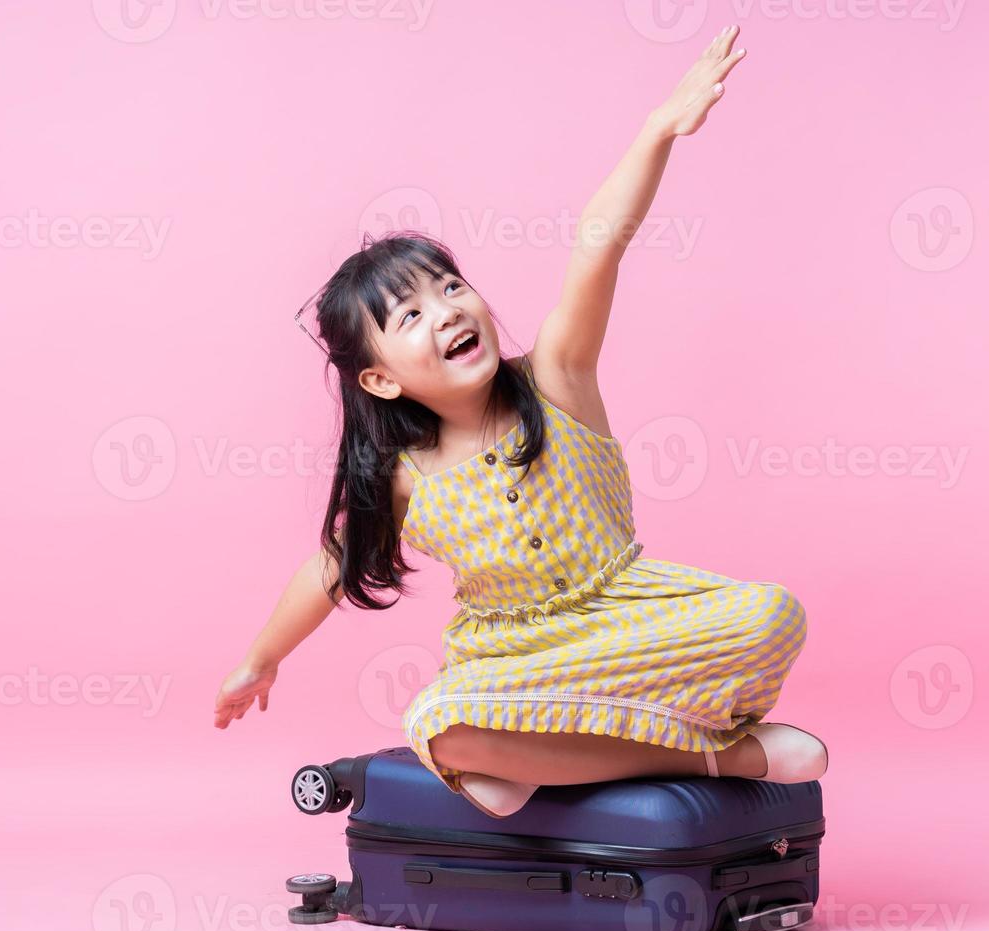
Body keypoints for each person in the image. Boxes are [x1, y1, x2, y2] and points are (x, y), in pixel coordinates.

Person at [215, 24, 827, 818]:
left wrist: (657, 131)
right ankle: (721, 753)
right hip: (509, 659)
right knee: (439, 721)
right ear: (379, 379)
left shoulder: (557, 380)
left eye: (448, 287)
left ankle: (559, 751)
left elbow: (595, 251)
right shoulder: (405, 475)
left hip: (631, 627)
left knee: (770, 615)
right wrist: (260, 661)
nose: (446, 312)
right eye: (409, 315)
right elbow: (331, 566)